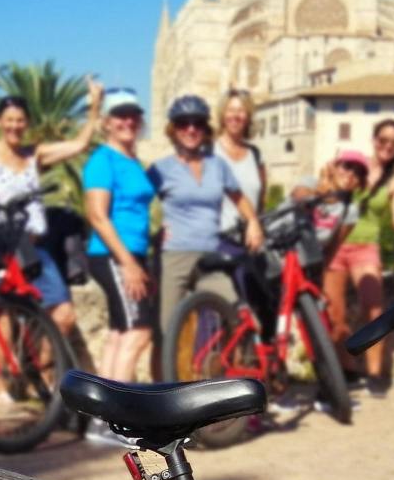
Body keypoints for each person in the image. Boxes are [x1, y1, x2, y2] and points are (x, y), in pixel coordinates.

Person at [0, 81, 103, 362]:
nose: (14, 126)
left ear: (27, 123)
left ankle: (41, 368)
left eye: (20, 120)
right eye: (9, 120)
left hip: (33, 250)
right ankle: (1, 387)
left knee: (64, 315)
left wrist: (94, 109)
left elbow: (79, 145)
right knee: (3, 318)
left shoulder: (35, 155)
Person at [152, 94, 264, 341]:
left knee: (239, 317)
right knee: (168, 332)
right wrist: (155, 232)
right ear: (173, 129)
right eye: (183, 123)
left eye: (197, 123)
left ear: (205, 128)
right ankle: (164, 380)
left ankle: (228, 372)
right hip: (176, 255)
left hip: (211, 256)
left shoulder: (217, 166)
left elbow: (239, 197)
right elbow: (137, 200)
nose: (191, 129)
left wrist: (253, 221)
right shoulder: (161, 169)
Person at [81, 89, 158, 405]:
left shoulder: (131, 159)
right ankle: (120, 417)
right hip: (114, 255)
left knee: (118, 333)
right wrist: (128, 264)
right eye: (120, 115)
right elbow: (98, 216)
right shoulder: (103, 160)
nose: (128, 121)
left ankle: (101, 415)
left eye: (133, 115)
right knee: (139, 332)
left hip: (129, 253)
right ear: (107, 123)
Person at [327, 127, 394, 397]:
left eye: (393, 142)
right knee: (334, 314)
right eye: (383, 140)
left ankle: (374, 374)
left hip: (365, 246)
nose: (387, 145)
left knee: (373, 309)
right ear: (374, 140)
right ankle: (347, 370)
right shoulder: (351, 164)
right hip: (335, 243)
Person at [213, 89, 265, 236]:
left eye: (241, 111)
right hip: (217, 243)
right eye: (230, 110)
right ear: (223, 115)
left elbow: (261, 202)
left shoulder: (255, 155)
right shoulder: (210, 151)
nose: (235, 116)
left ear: (248, 116)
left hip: (249, 243)